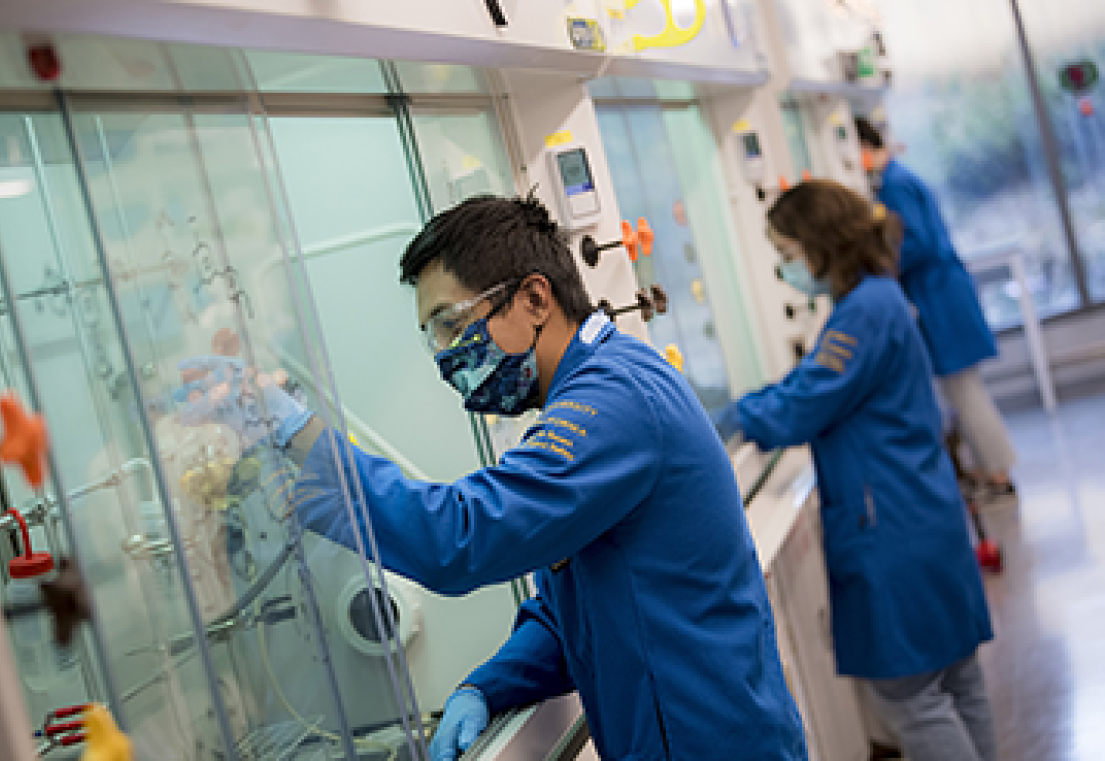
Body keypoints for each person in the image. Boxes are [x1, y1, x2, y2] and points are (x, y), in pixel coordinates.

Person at [180, 194, 807, 760]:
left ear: (535, 298)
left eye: (453, 325)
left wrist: (295, 431)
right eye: (434, 339)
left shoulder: (613, 402)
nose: (448, 357)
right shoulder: (593, 394)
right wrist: (488, 684)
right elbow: (571, 612)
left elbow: (462, 536)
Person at [717, 181, 995, 761]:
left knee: (914, 700)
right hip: (927, 515)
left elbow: (805, 403)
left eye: (788, 253)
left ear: (821, 244)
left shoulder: (864, 311)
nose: (784, 269)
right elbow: (818, 381)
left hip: (894, 531)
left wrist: (732, 416)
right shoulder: (877, 299)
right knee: (959, 685)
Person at [855, 116, 1016, 502]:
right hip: (940, 293)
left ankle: (997, 474)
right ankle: (988, 467)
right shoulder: (897, 181)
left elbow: (919, 243)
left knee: (965, 390)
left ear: (864, 148)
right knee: (962, 391)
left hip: (939, 295)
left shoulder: (894, 186)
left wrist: (877, 262)